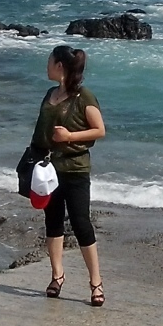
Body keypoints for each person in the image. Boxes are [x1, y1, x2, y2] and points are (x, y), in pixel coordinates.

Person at [29, 44, 106, 306]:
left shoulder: (84, 97)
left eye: (50, 60)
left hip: (75, 169)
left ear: (59, 66)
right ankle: (57, 276)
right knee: (53, 222)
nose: (47, 64)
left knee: (81, 223)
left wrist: (70, 136)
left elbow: (99, 130)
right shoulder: (50, 94)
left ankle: (95, 282)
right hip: (49, 171)